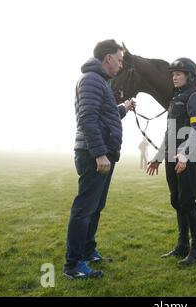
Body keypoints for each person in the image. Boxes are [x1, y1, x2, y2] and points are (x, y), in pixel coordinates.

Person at [64, 39, 136, 279]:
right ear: (108, 59)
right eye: (119, 59)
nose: (121, 65)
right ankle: (73, 265)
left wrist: (124, 108)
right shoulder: (92, 80)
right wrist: (99, 153)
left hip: (102, 153)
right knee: (84, 209)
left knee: (95, 207)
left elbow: (106, 115)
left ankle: (87, 250)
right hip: (94, 154)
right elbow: (87, 118)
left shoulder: (100, 82)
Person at [146, 57, 196, 266]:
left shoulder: (195, 96)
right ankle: (182, 246)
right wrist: (158, 158)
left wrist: (185, 153)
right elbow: (169, 132)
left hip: (186, 159)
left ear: (189, 75)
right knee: (177, 201)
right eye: (173, 74)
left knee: (189, 203)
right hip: (172, 159)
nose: (174, 77)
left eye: (178, 73)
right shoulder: (175, 98)